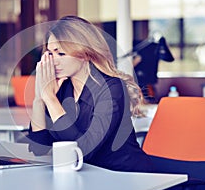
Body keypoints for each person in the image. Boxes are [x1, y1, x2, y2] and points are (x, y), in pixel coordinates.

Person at [27, 16, 154, 172]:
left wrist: (51, 99)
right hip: (87, 178)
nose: (54, 61)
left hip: (125, 176)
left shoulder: (112, 88)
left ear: (84, 53)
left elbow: (83, 151)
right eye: (50, 54)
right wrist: (39, 99)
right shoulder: (61, 87)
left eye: (61, 54)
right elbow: (39, 149)